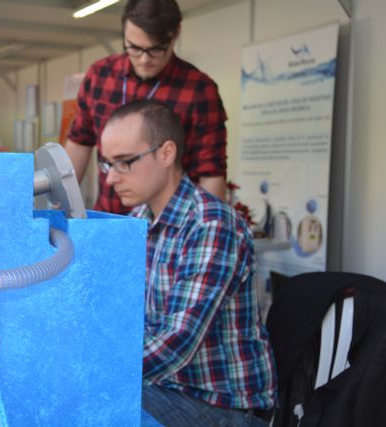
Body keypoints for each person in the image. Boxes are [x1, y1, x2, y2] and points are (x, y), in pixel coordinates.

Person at [100, 100, 276, 427]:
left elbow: (177, 342)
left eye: (124, 162)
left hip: (221, 405)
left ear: (166, 153)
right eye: (108, 164)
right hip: (165, 386)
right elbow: (117, 310)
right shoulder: (138, 219)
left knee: (96, 407)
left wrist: (94, 369)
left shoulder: (211, 225)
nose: (111, 179)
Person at [65, 0, 228, 215]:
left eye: (156, 49)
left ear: (176, 34)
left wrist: (212, 224)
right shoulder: (100, 76)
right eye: (134, 48)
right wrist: (60, 210)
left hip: (168, 224)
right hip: (109, 217)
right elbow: (78, 144)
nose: (144, 59)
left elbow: (211, 173)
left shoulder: (198, 90)